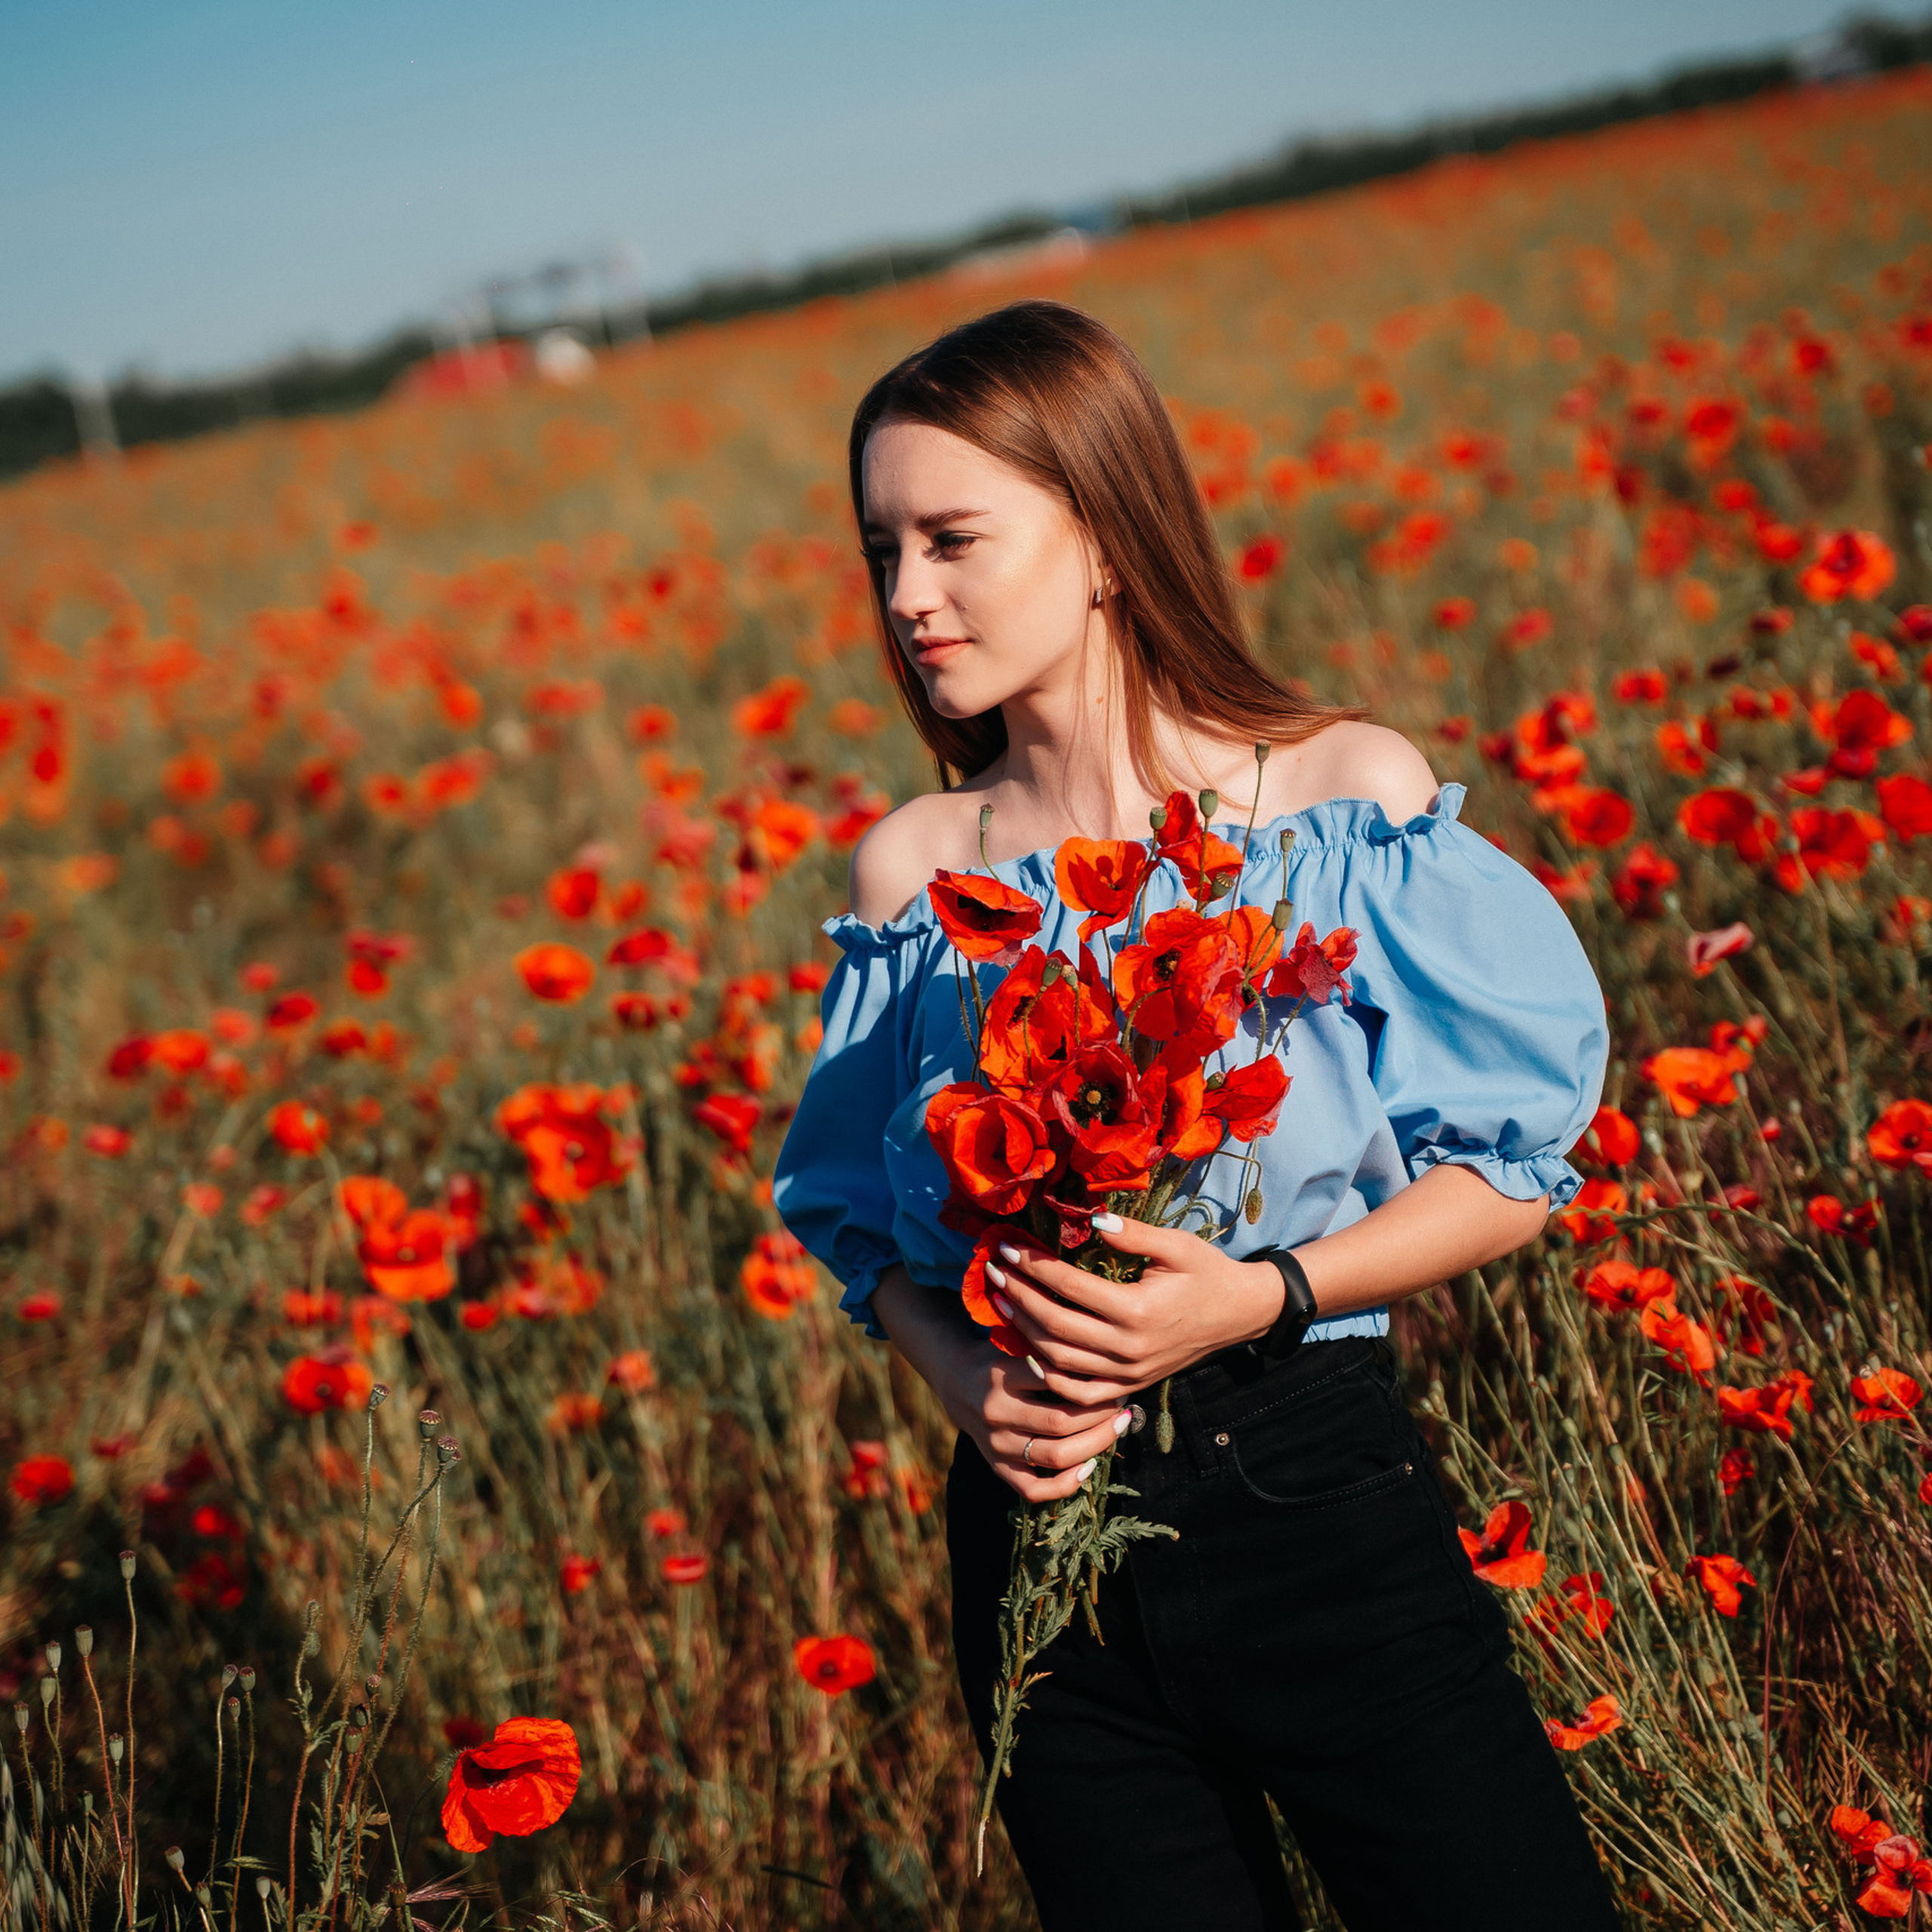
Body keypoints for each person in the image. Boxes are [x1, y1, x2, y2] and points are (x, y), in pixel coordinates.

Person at [771, 299, 1621, 1932]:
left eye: (951, 538)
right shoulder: (912, 870)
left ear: (1101, 536)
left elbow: (1512, 1170)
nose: (904, 598)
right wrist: (965, 1383)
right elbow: (855, 1225)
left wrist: (1265, 1291)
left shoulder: (1334, 796)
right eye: (881, 546)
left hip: (1310, 1496)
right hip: (1040, 1554)